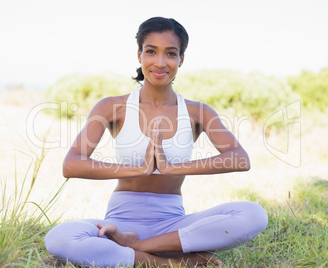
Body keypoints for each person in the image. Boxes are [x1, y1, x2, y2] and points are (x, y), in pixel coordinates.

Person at [44, 17, 268, 267]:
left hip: (173, 224)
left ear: (181, 59)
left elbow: (240, 158)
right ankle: (170, 262)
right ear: (139, 55)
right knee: (59, 238)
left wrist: (174, 168)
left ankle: (136, 248)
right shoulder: (112, 107)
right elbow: (72, 164)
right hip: (120, 221)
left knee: (253, 215)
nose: (160, 62)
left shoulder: (198, 112)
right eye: (151, 51)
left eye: (170, 53)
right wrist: (136, 169)